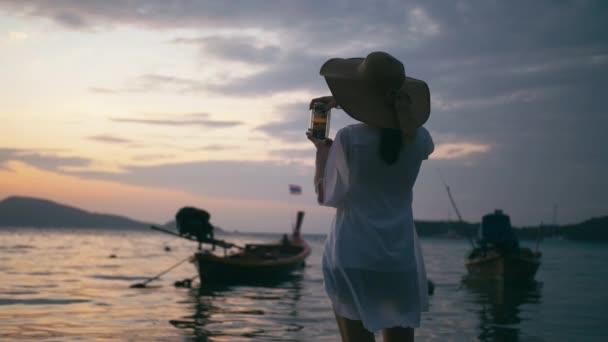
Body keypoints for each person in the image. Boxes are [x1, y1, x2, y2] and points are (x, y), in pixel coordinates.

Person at [307, 51, 434, 342]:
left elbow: (326, 194)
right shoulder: (420, 139)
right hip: (399, 260)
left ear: (360, 96)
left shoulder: (349, 138)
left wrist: (321, 151)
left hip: (352, 254)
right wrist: (352, 103)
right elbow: (398, 129)